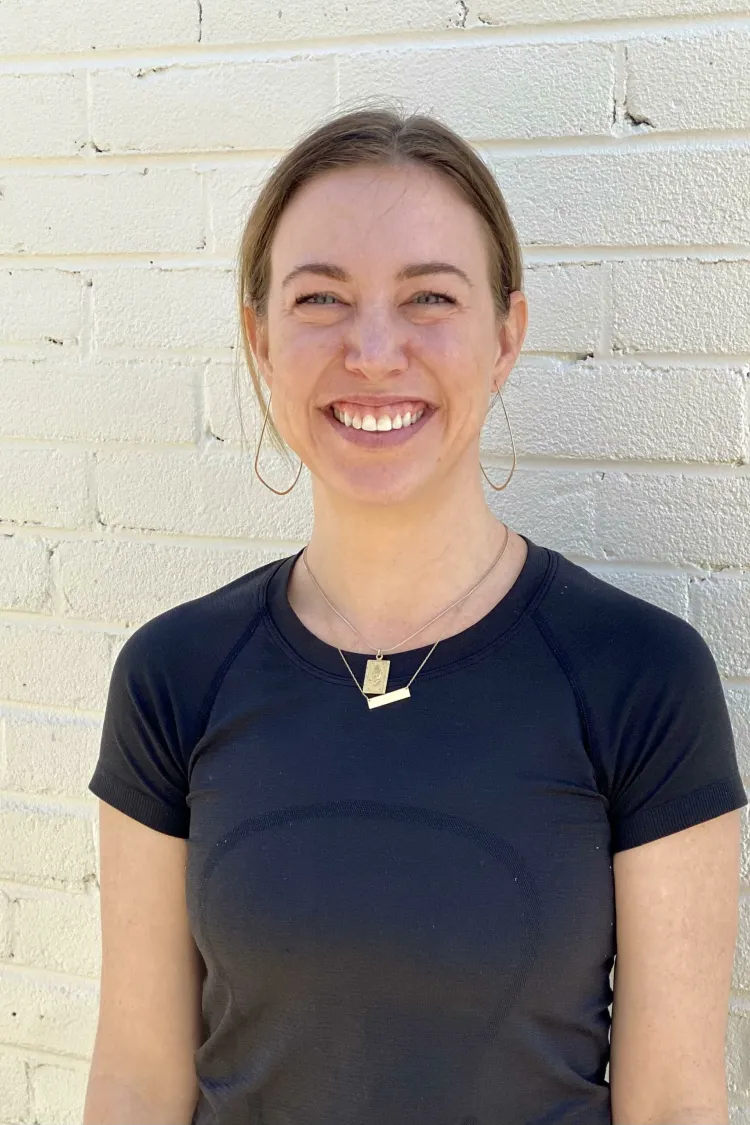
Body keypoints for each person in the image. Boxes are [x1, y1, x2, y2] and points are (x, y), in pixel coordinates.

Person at [84, 106, 748, 1125]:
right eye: (322, 299)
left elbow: (671, 1106)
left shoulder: (640, 678)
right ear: (261, 337)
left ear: (507, 335)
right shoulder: (174, 677)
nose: (376, 349)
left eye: (430, 296)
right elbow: (136, 1081)